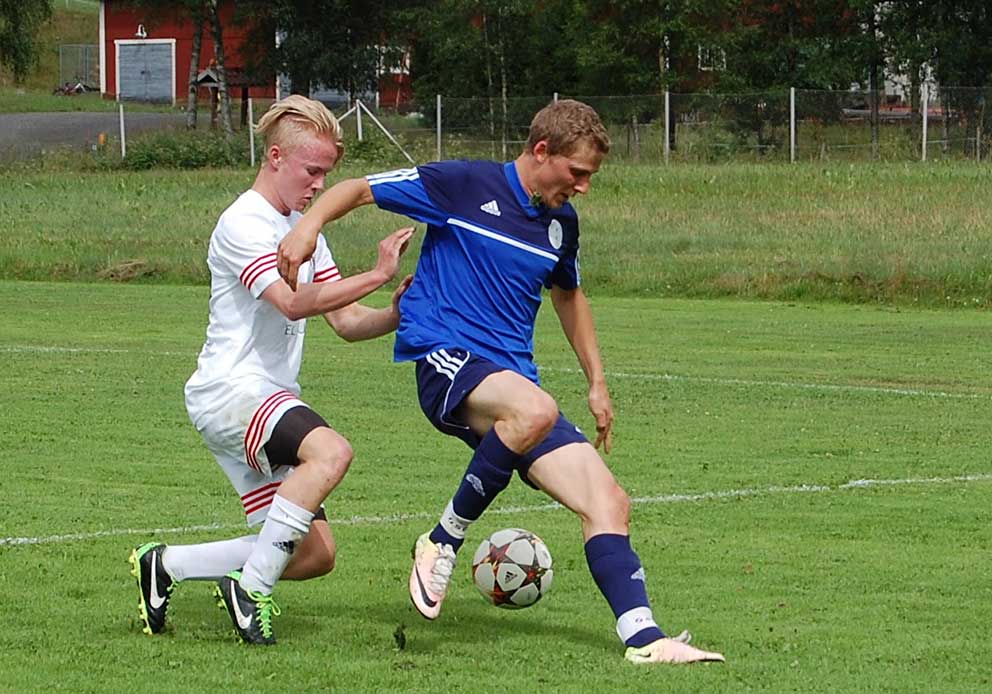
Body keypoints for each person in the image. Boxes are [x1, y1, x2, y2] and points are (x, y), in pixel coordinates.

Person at [276, 99, 724, 664]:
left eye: (590, 176)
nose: (583, 187)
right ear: (541, 150)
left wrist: (597, 381)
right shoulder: (463, 183)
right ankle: (441, 540)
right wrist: (308, 227)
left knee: (607, 500)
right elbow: (357, 189)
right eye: (576, 172)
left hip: (513, 383)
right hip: (447, 359)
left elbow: (569, 296)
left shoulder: (561, 223)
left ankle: (644, 639)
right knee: (533, 409)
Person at [128, 95, 414, 646]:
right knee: (331, 452)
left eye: (327, 174)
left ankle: (167, 564)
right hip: (232, 392)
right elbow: (290, 302)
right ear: (276, 157)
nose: (319, 186)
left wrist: (396, 313)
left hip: (266, 398)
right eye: (312, 171)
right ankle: (251, 590)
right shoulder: (243, 221)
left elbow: (347, 322)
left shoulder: (306, 231)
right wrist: (377, 273)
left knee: (313, 554)